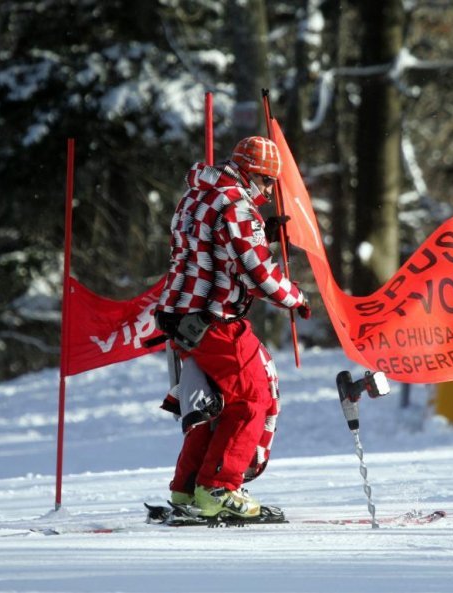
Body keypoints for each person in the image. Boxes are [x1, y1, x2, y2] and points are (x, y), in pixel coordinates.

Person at [154, 136, 310, 519]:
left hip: (181, 314)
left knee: (216, 403)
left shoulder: (195, 196)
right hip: (214, 318)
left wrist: (263, 235)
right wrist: (296, 297)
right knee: (252, 398)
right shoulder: (235, 203)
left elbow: (209, 247)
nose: (270, 190)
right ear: (251, 173)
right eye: (268, 181)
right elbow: (256, 275)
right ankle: (218, 489)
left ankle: (188, 489)